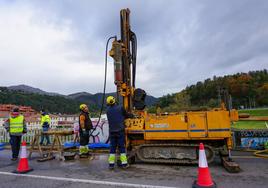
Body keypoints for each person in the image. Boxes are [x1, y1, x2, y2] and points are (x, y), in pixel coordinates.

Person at [106, 96, 132, 169]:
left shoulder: (107, 110)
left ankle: (111, 165)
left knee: (112, 148)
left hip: (112, 132)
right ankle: (124, 164)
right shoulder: (120, 108)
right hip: (120, 131)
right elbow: (126, 115)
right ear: (114, 101)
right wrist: (131, 115)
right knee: (121, 148)